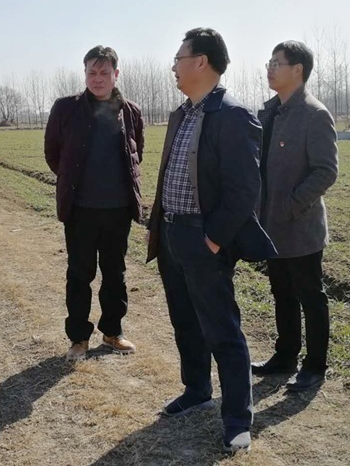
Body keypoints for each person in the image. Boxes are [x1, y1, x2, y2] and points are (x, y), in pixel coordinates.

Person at [146, 28, 276, 452]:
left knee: (222, 329)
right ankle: (197, 390)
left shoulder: (233, 115)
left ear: (200, 62)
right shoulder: (182, 113)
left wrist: (213, 241)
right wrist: (159, 225)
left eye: (178, 58)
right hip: (172, 234)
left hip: (203, 238)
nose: (173, 66)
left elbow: (244, 190)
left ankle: (237, 419)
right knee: (185, 321)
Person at [44, 45, 144, 362]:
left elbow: (136, 154)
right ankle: (78, 338)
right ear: (85, 73)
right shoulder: (66, 109)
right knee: (79, 274)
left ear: (116, 74)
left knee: (115, 274)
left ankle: (113, 333)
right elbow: (53, 154)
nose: (97, 78)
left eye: (104, 72)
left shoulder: (131, 111)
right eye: (92, 72)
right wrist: (74, 182)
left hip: (118, 211)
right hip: (80, 210)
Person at [252, 40, 338, 391]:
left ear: (298, 69)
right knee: (281, 293)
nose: (270, 69)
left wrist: (290, 204)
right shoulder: (270, 112)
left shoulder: (314, 114)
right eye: (269, 62)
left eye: (277, 63)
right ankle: (285, 355)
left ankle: (315, 365)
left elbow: (326, 171)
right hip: (271, 225)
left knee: (310, 296)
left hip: (301, 227)